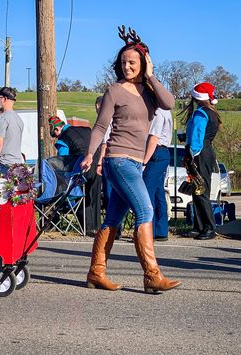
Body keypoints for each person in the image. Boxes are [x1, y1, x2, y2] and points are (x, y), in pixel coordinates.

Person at [80, 25, 181, 293]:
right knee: (145, 211)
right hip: (118, 159)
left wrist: (151, 74)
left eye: (132, 62)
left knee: (113, 218)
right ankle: (152, 275)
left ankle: (95, 272)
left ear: (143, 63)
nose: (127, 66)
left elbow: (169, 103)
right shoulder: (115, 90)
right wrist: (91, 153)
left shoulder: (149, 92)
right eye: (124, 62)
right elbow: (101, 127)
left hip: (136, 162)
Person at [180, 82, 221, 240]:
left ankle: (209, 227)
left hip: (200, 154)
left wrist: (192, 155)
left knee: (201, 191)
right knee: (197, 190)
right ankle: (199, 226)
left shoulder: (200, 113)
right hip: (207, 152)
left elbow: (198, 136)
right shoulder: (212, 113)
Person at [48, 115, 102, 234]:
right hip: (97, 161)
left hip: (83, 165)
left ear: (57, 129)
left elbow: (63, 161)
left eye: (55, 134)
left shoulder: (63, 139)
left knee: (82, 195)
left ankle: (88, 228)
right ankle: (97, 227)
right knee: (95, 195)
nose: (56, 137)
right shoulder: (85, 129)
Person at [142, 108, 173, 242]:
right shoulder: (166, 111)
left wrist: (144, 161)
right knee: (158, 192)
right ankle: (160, 230)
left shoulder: (158, 112)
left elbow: (154, 138)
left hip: (156, 152)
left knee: (147, 191)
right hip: (163, 152)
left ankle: (148, 231)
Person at [0, 87, 24, 179]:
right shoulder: (19, 119)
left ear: (5, 99)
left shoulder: (2, 118)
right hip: (17, 166)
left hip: (2, 165)